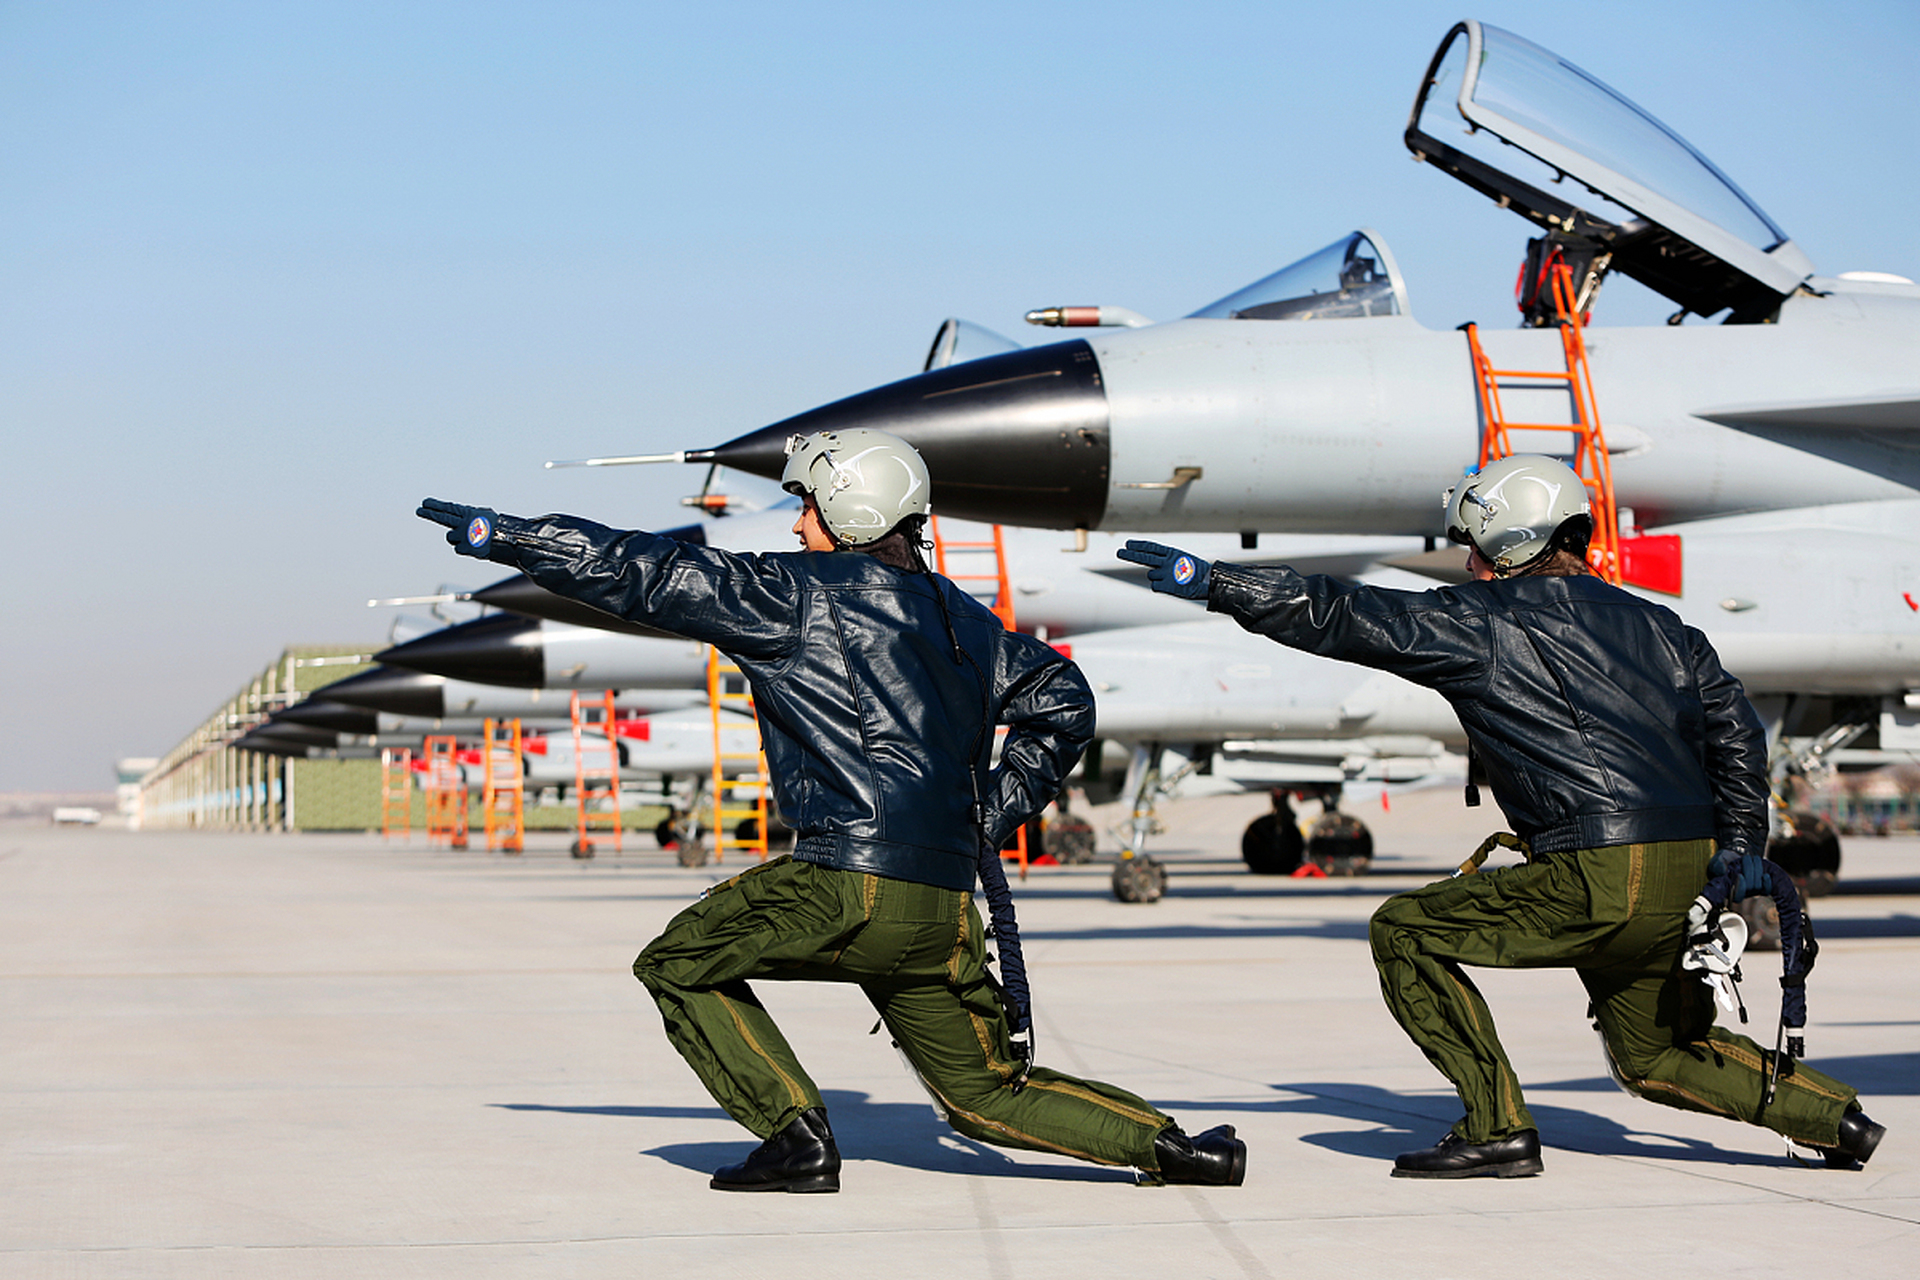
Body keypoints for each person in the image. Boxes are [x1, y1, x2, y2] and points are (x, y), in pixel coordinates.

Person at [418, 428, 1245, 1193]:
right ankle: (1180, 1148)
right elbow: (1063, 698)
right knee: (984, 1098)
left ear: (847, 511)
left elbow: (652, 577)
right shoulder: (968, 620)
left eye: (807, 504)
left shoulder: (792, 595)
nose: (797, 523)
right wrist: (988, 814)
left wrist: (516, 539)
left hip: (844, 884)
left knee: (676, 964)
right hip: (946, 907)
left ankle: (795, 1138)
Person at [1118, 454, 1884, 1179]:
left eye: (1473, 547)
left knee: (1405, 931)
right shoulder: (1664, 628)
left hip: (1596, 872)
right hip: (1692, 873)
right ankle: (1837, 1120)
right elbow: (1738, 734)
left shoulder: (1484, 622)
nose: (1469, 565)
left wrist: (1218, 583)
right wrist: (1744, 848)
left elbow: (1343, 614)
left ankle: (1496, 1129)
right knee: (1654, 1055)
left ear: (1509, 543)